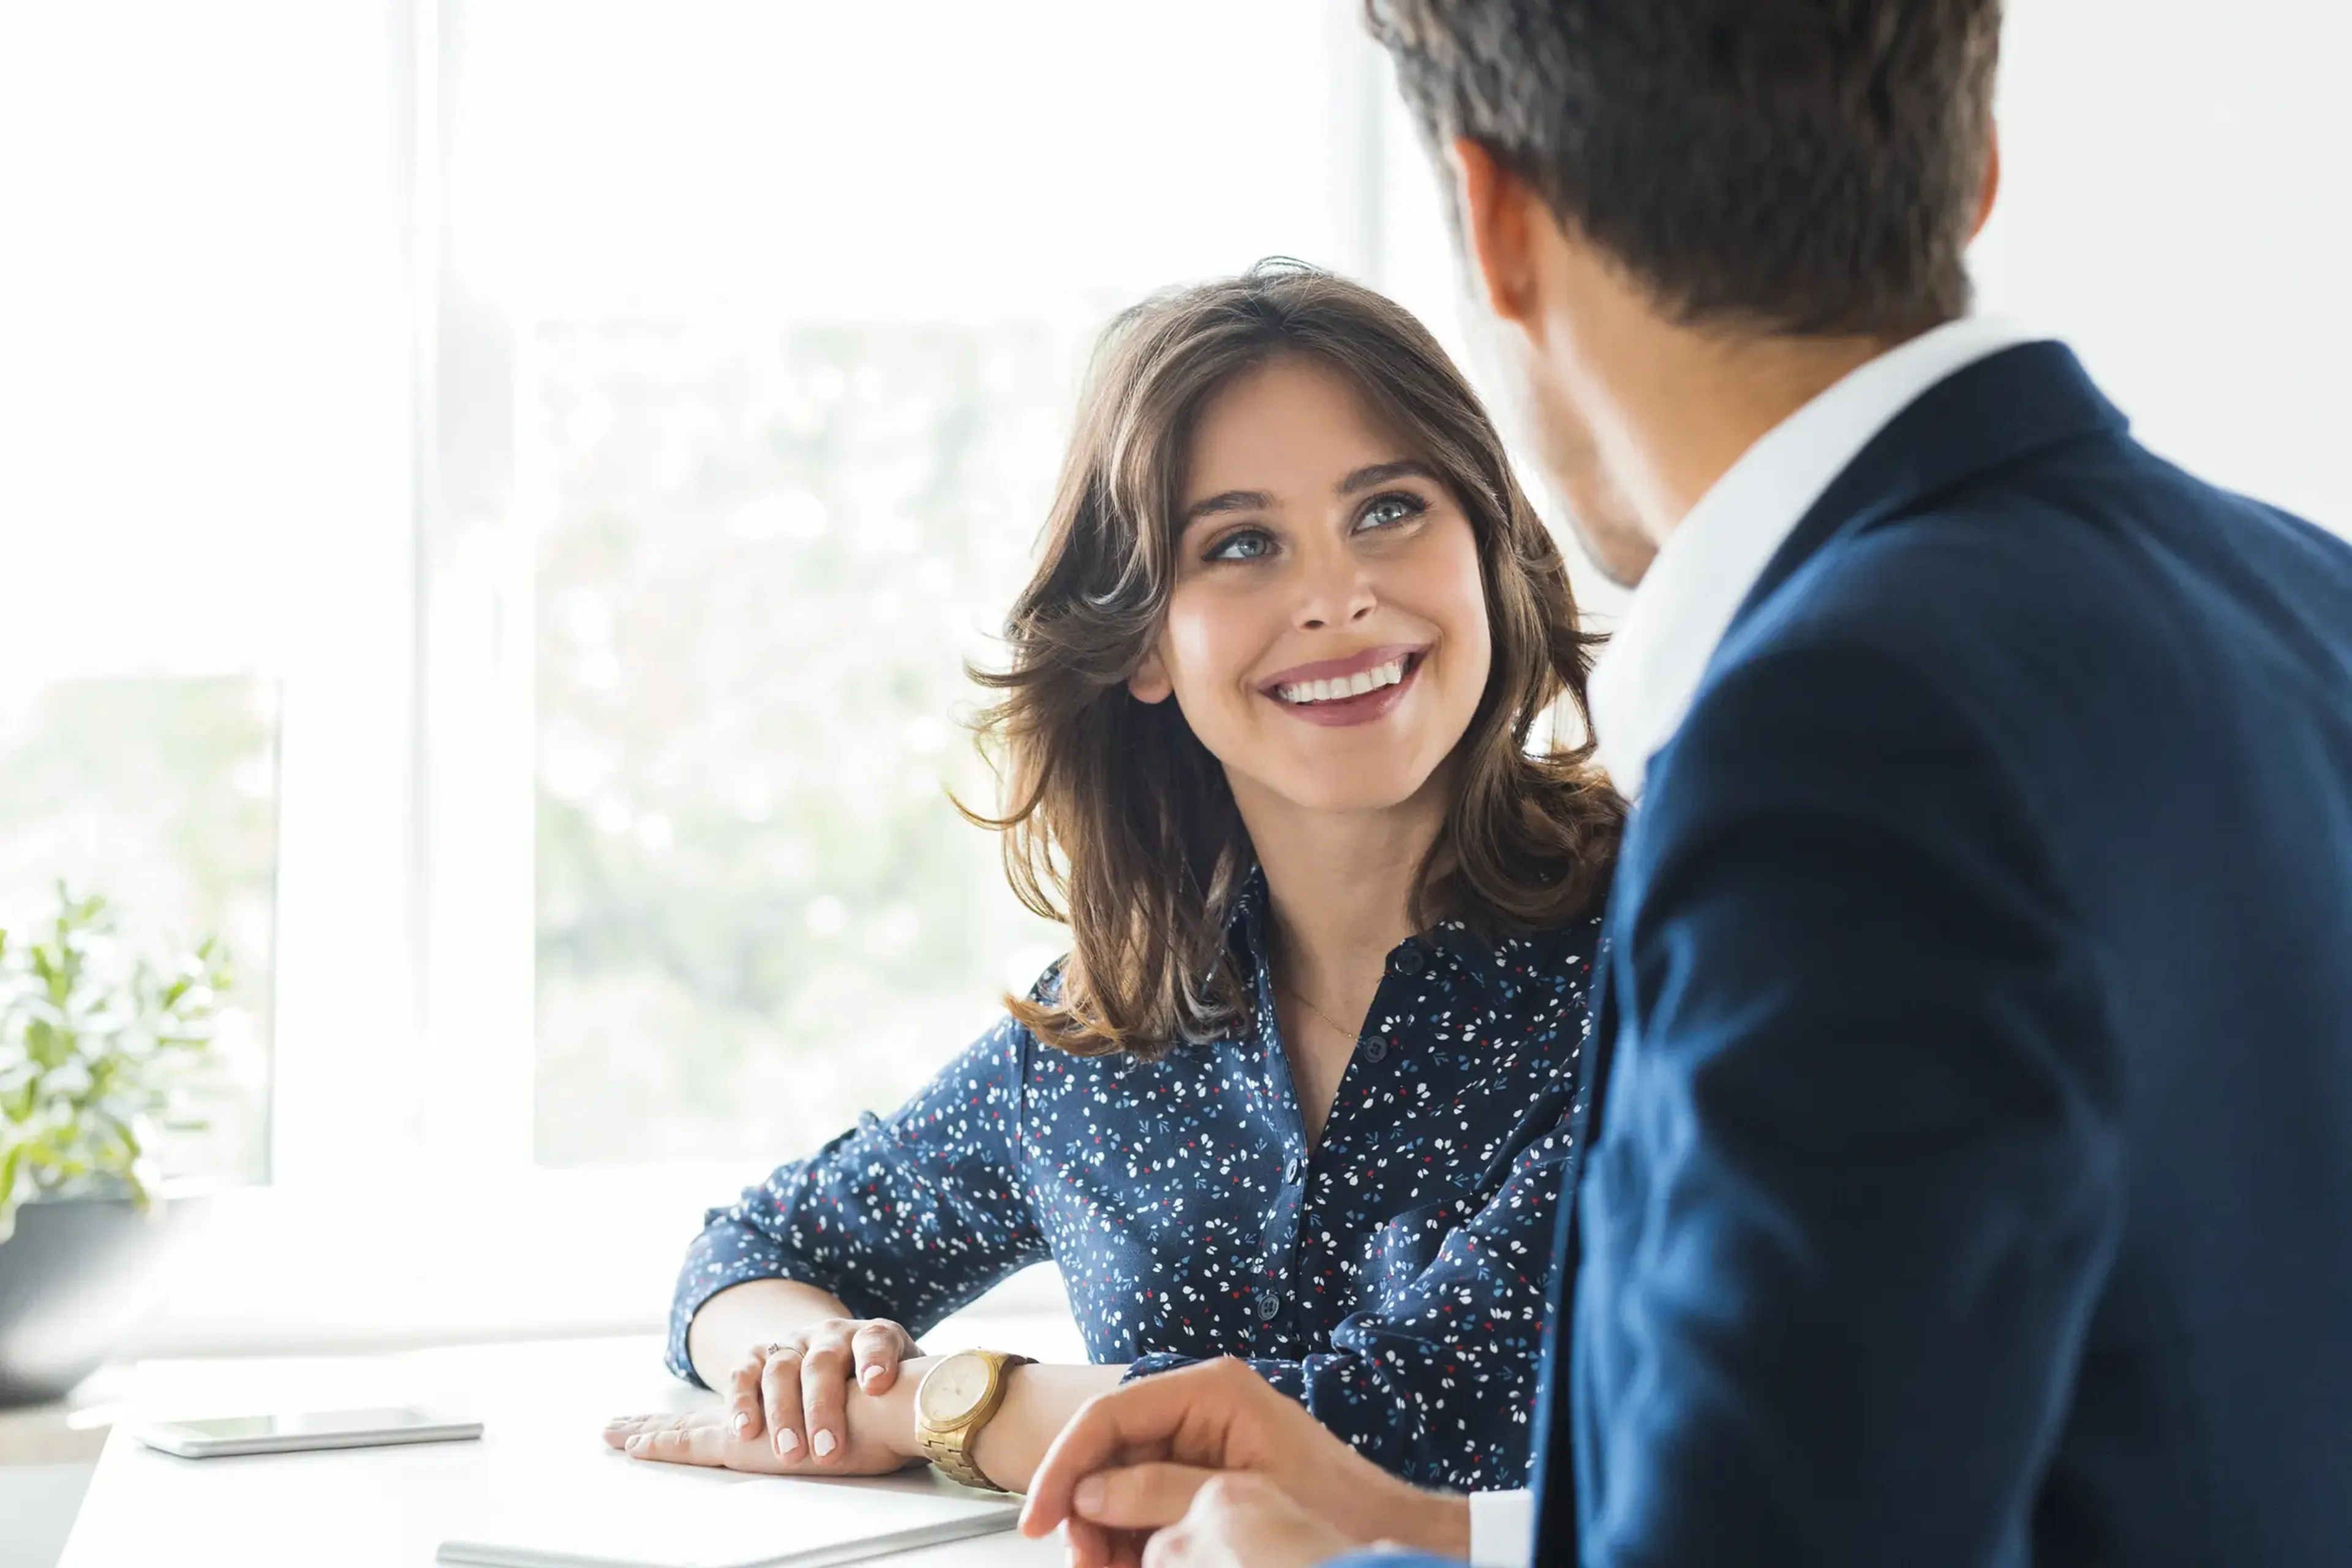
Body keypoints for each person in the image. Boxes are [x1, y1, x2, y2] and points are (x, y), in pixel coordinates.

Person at [1019, 2, 2352, 1565]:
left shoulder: (1832, 722)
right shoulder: (2297, 593)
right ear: (1972, 170)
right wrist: (1414, 1527)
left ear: (1500, 224)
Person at [600, 263, 1623, 1506]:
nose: (1337, 596)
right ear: (1144, 639)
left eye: (1391, 509)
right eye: (1242, 543)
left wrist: (942, 1404)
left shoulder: (1664, 957)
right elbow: (755, 1251)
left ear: (1490, 549)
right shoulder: (1108, 1031)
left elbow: (1401, 1426)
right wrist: (821, 1371)